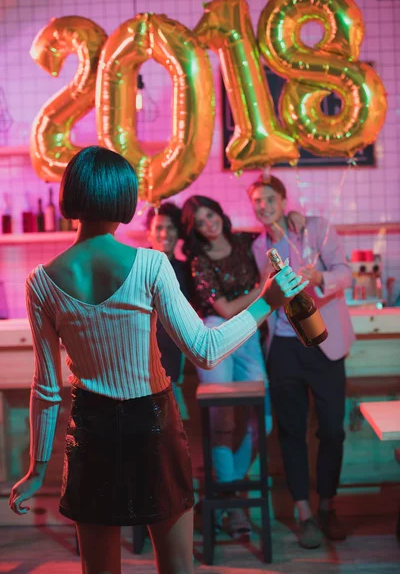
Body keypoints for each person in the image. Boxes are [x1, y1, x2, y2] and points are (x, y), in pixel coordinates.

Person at [8, 146, 308, 574]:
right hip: (152, 423)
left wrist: (38, 469)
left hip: (90, 429)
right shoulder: (150, 265)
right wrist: (266, 303)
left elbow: (46, 387)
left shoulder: (40, 281)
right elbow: (205, 350)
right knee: (177, 568)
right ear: (123, 201)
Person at [180, 195, 305, 539]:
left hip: (250, 334)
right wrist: (264, 293)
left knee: (261, 422)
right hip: (215, 334)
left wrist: (292, 214)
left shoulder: (245, 241)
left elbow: (274, 232)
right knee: (222, 422)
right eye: (200, 222)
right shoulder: (198, 261)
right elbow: (224, 308)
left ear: (220, 212)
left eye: (211, 214)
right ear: (194, 230)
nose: (209, 223)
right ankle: (234, 507)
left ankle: (225, 490)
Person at [248, 174, 355, 550]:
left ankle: (328, 506)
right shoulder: (259, 247)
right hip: (284, 349)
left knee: (332, 430)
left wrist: (320, 275)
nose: (263, 206)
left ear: (282, 198)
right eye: (257, 201)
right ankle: (304, 514)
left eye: (269, 199)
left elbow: (345, 273)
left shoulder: (314, 230)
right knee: (291, 433)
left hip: (323, 343)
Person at [146, 202, 191, 418]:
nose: (165, 233)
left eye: (171, 227)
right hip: (141, 362)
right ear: (149, 234)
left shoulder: (186, 271)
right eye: (159, 227)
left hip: (175, 360)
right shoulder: (137, 266)